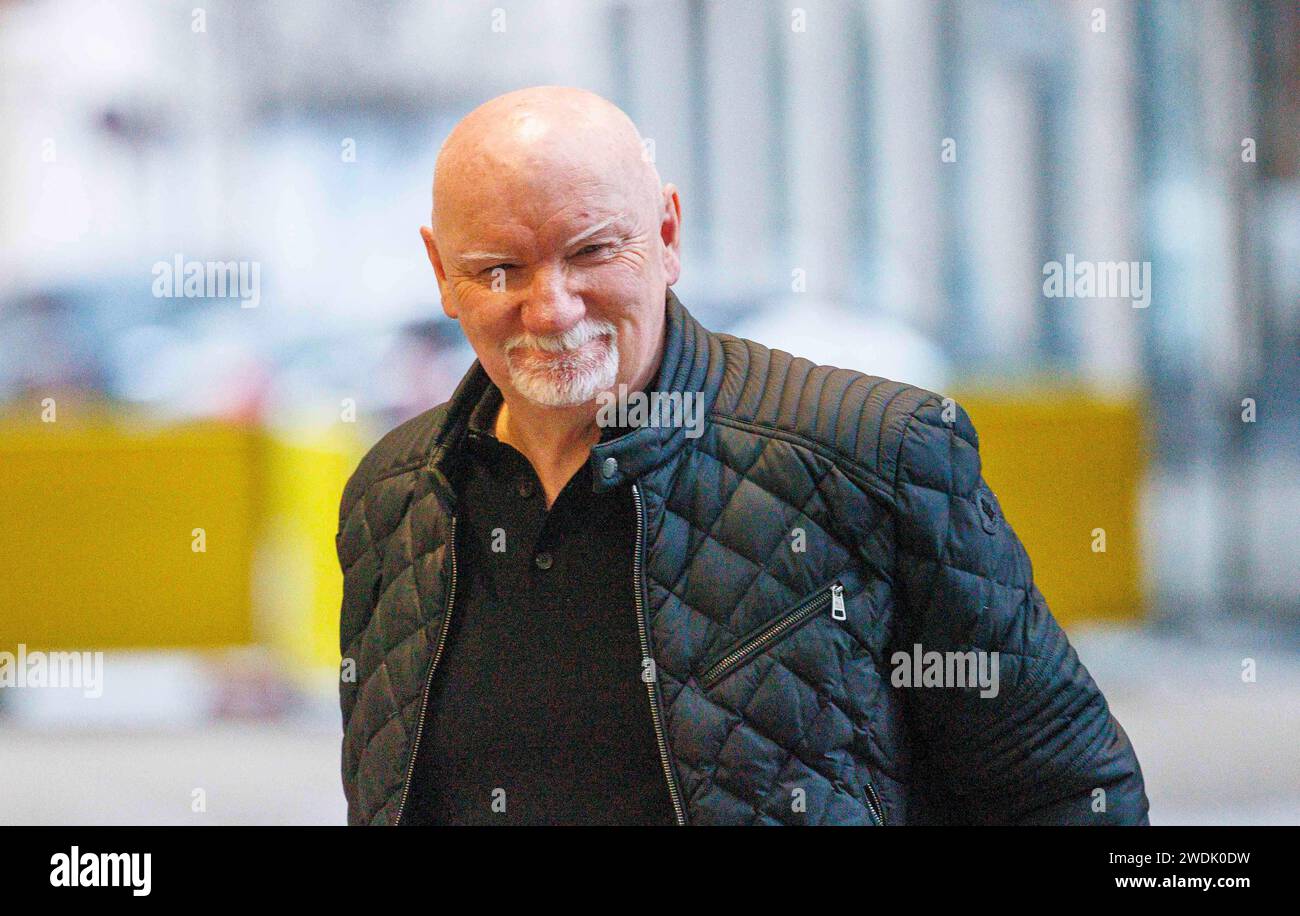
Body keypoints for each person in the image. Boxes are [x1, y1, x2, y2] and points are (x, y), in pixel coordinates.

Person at [335, 85, 1149, 825]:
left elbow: (1072, 798)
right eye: (500, 269)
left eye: (590, 252)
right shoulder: (394, 497)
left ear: (666, 232)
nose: (551, 308)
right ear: (443, 274)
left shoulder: (874, 455)